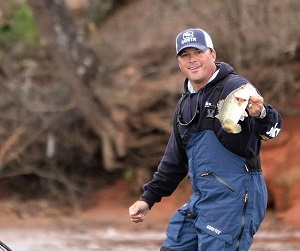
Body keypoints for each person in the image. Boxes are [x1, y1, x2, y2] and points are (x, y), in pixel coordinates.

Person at [128, 28, 282, 251]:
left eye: (198, 52)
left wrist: (260, 114)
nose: (192, 60)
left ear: (213, 54)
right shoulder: (185, 104)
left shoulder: (236, 88)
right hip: (203, 198)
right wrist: (148, 198)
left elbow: (270, 131)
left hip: (236, 199)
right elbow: (174, 161)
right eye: (185, 55)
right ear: (179, 62)